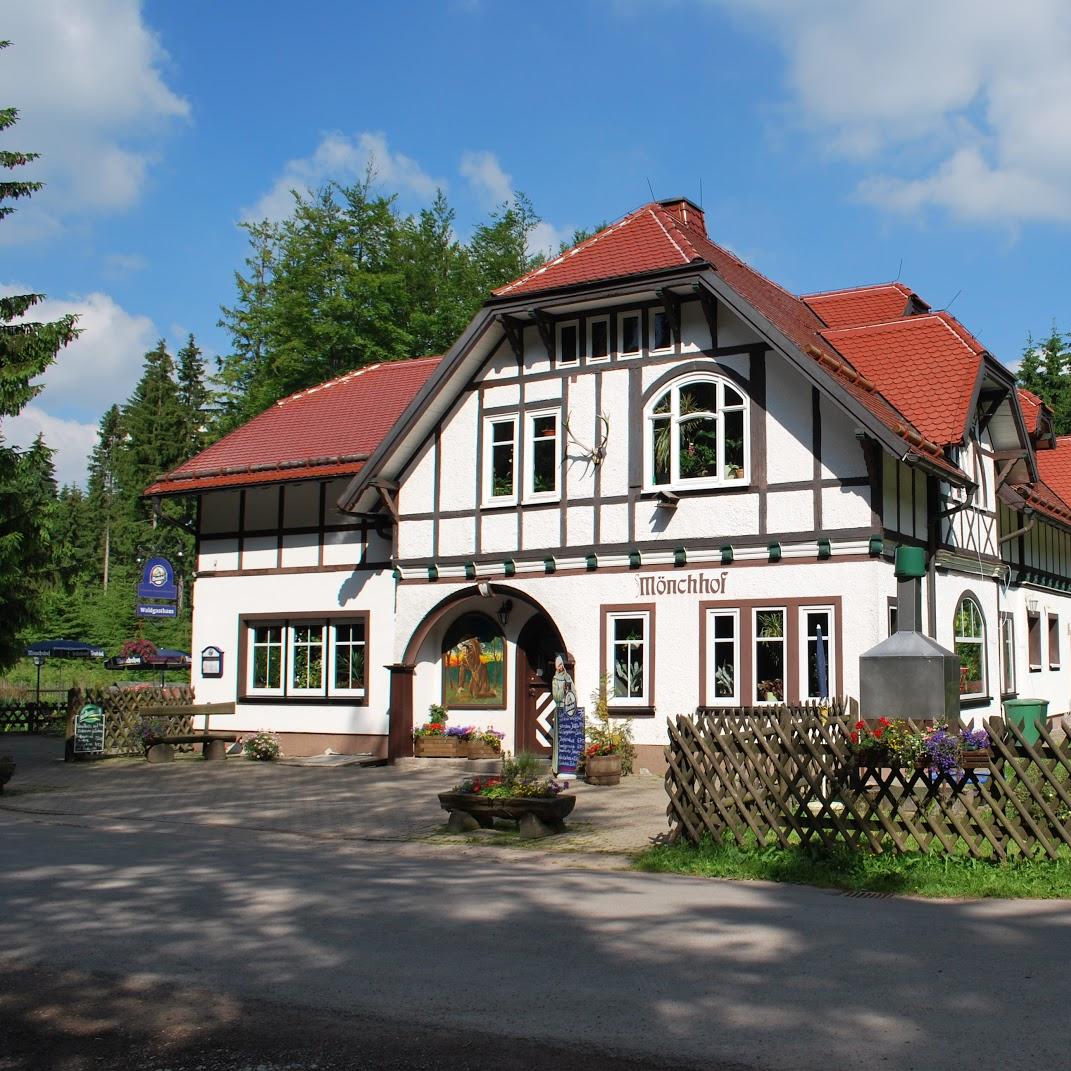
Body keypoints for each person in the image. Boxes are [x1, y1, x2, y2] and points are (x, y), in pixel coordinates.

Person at [550, 654, 577, 776]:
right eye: (558, 665)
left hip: (568, 708)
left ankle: (568, 766)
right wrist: (563, 689)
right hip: (560, 709)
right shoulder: (555, 680)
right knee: (560, 738)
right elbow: (556, 696)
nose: (560, 667)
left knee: (568, 737)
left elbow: (573, 691)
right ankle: (557, 766)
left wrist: (573, 700)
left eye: (561, 664)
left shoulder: (568, 677)